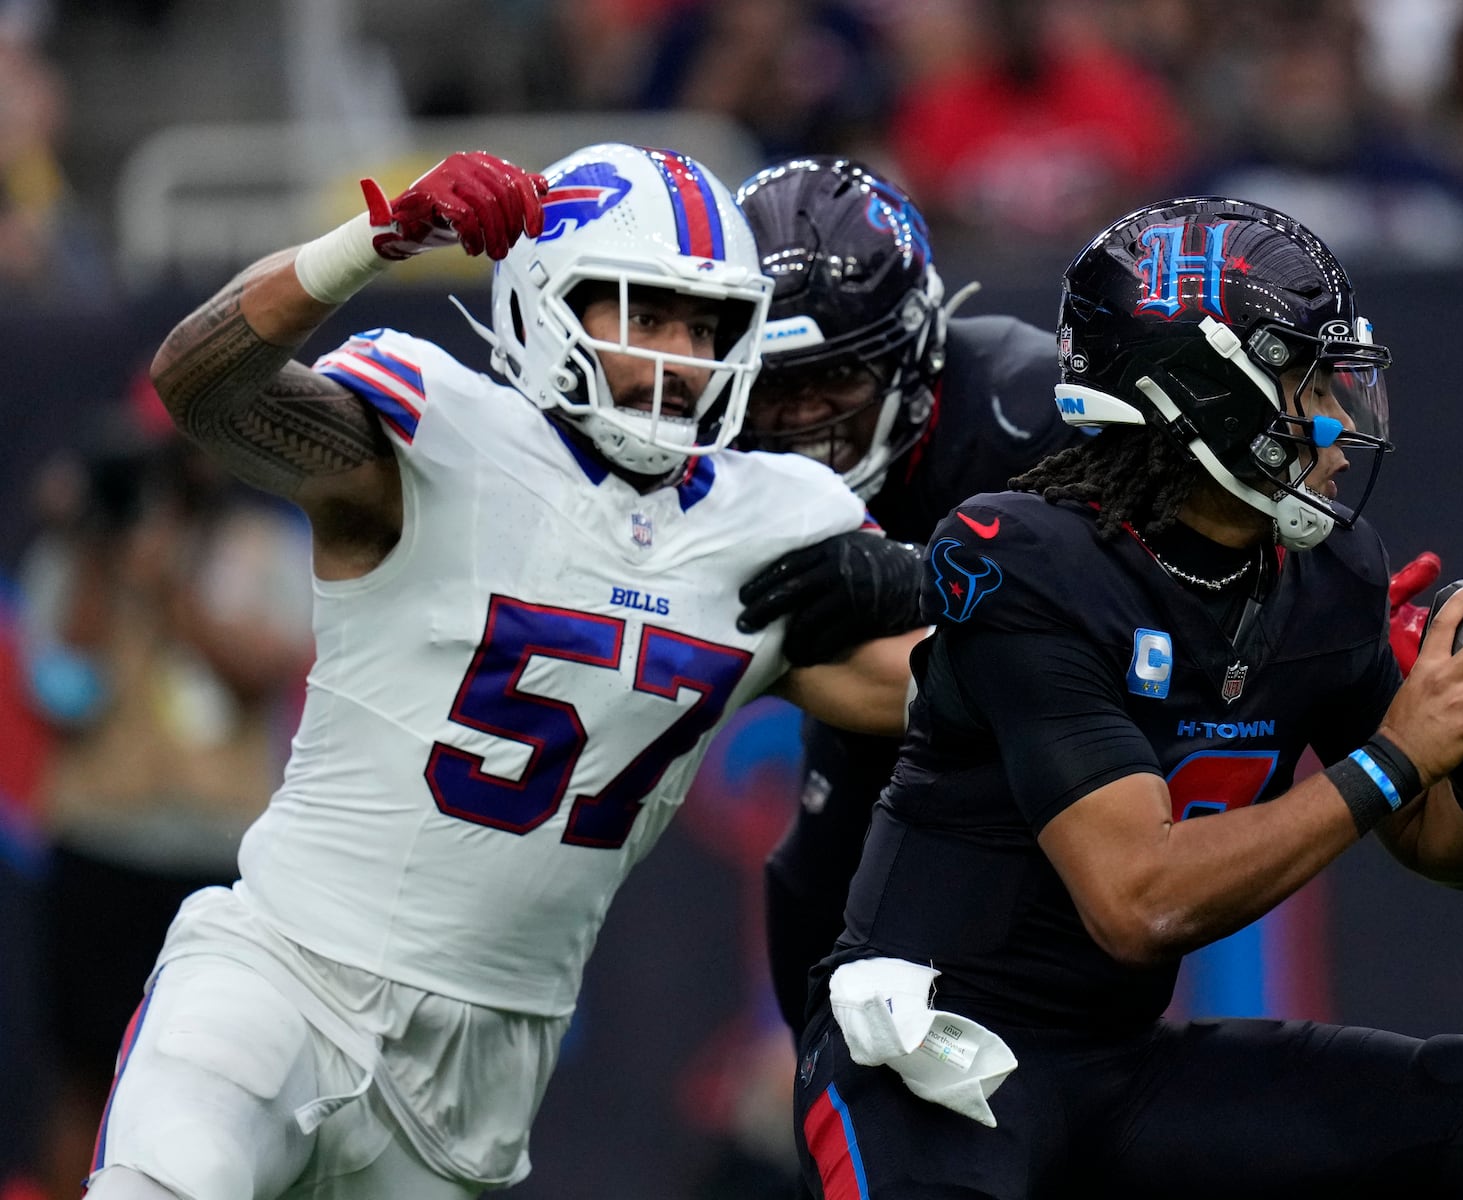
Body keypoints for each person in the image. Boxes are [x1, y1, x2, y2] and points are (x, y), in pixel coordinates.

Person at [83, 143, 926, 1200]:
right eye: (643, 313)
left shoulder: (770, 519)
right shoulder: (441, 437)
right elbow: (201, 388)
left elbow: (936, 693)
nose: (678, 354)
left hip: (484, 1063)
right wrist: (365, 246)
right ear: (545, 302)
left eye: (702, 325)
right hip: (282, 977)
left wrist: (946, 582)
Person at [792, 197, 1463, 1199]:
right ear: (1207, 390)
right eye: (1311, 382)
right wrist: (1396, 754)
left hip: (1112, 1066)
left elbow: (1440, 851)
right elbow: (1138, 900)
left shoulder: (1325, 573)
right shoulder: (1030, 561)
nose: (1346, 425)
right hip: (927, 1067)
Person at [728, 157, 1082, 1039]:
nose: (805, 420)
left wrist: (926, 574)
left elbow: (1128, 619)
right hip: (863, 762)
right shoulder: (698, 436)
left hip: (1058, 779)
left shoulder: (1026, 409)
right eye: (776, 390)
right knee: (815, 918)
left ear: (913, 351)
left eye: (834, 382)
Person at [18, 423, 313, 1200]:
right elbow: (61, 692)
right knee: (85, 1071)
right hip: (101, 843)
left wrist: (172, 582)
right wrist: (93, 550)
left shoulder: (263, 545)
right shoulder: (85, 549)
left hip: (220, 861)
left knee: (227, 1086)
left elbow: (262, 671)